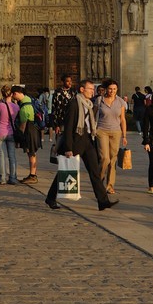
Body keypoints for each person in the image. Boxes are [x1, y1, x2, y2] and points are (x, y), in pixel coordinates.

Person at [46, 76, 117, 212]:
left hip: (88, 141)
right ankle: (50, 198)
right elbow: (68, 127)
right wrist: (68, 148)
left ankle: (103, 202)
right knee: (65, 171)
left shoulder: (89, 104)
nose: (93, 91)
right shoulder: (74, 104)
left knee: (94, 172)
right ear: (82, 89)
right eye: (90, 88)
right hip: (76, 142)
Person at [94, 79, 128, 195]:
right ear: (106, 89)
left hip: (116, 132)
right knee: (105, 158)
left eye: (114, 89)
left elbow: (122, 119)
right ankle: (98, 181)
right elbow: (93, 116)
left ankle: (109, 185)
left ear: (117, 89)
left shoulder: (121, 102)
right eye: (110, 89)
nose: (112, 91)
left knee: (113, 159)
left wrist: (124, 135)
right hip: (102, 131)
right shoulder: (99, 100)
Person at [13, 86, 42, 183]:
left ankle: (33, 175)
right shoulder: (29, 100)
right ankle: (32, 174)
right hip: (34, 129)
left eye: (14, 95)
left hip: (29, 131)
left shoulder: (25, 107)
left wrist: (18, 137)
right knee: (32, 153)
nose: (14, 98)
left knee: (31, 153)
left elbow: (23, 125)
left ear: (16, 93)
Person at [0, 83, 20, 186]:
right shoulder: (16, 107)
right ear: (11, 94)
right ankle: (13, 178)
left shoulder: (0, 105)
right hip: (11, 133)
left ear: (2, 94)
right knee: (12, 156)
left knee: (2, 156)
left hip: (0, 132)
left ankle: (2, 178)